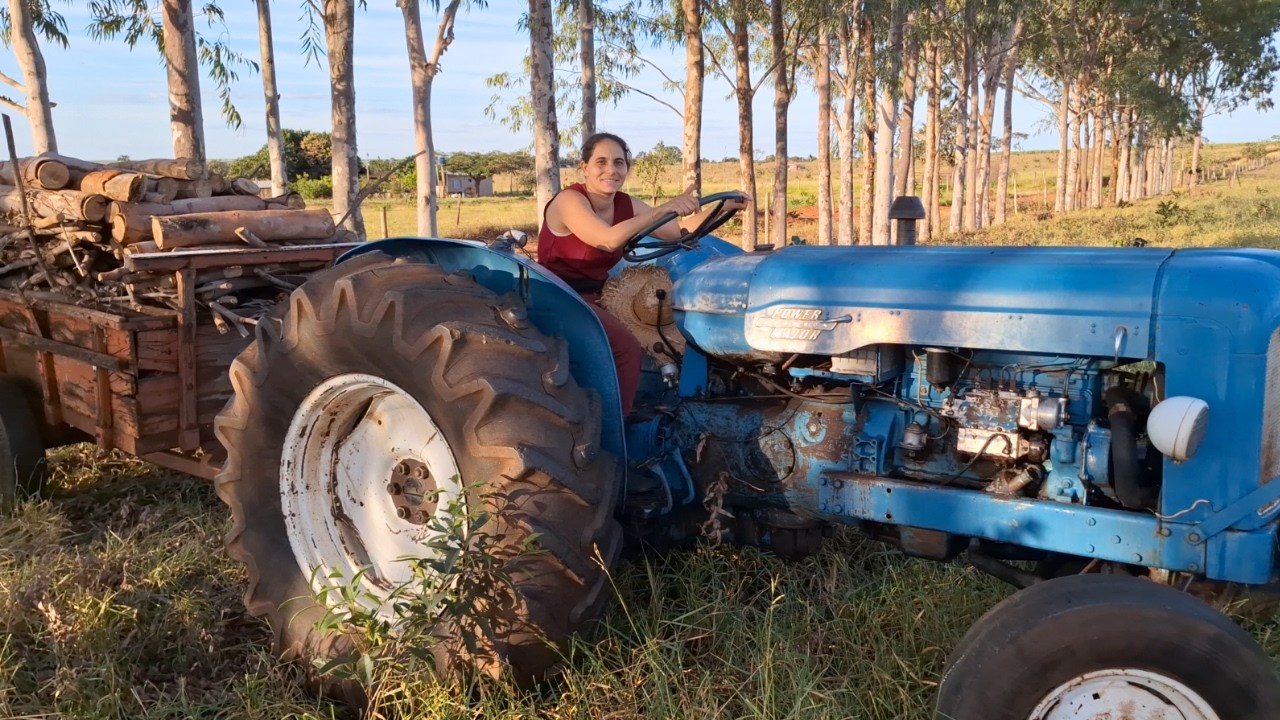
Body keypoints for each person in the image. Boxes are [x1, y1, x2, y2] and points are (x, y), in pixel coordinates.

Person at [538, 132, 748, 417]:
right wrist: (663, 209)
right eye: (601, 162)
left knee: (666, 339)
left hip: (595, 295)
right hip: (557, 294)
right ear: (584, 167)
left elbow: (678, 232)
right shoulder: (569, 200)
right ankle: (617, 436)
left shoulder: (627, 205)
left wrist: (721, 208)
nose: (611, 169)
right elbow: (606, 240)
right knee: (627, 349)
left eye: (619, 162)